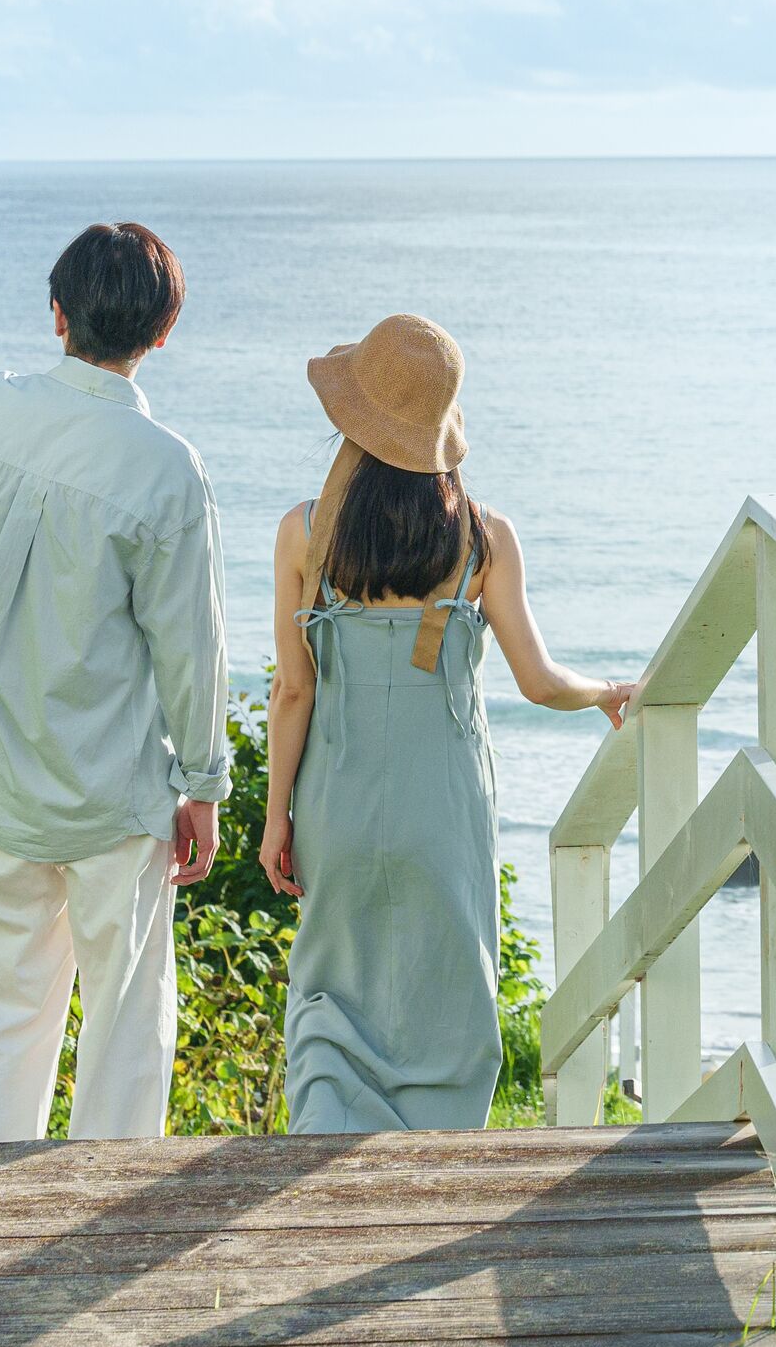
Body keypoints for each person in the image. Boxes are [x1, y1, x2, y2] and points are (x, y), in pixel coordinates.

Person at [0, 220, 229, 1143]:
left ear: (56, 314)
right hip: (113, 794)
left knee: (0, 1013)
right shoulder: (166, 470)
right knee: (124, 1029)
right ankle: (95, 1235)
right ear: (161, 335)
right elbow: (189, 649)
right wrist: (202, 786)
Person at [260, 313, 636, 1132]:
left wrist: (276, 816)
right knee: (447, 989)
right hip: (446, 805)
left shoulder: (303, 536)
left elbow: (293, 693)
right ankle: (431, 1163)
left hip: (338, 799)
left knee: (332, 987)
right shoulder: (484, 539)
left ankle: (324, 1149)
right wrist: (606, 690)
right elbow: (538, 682)